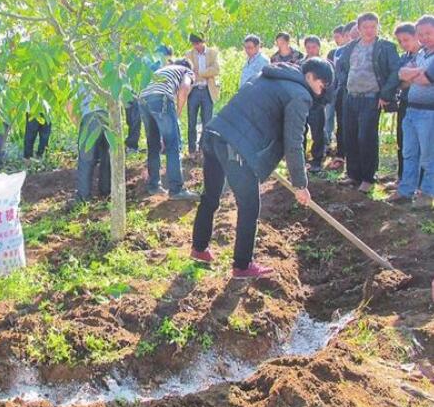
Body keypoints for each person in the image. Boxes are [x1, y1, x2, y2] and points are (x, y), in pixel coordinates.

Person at [190, 59, 334, 278]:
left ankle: (199, 249)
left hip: (214, 134)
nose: (320, 92)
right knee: (249, 205)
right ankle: (242, 265)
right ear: (311, 77)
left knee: (211, 195)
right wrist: (300, 185)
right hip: (235, 146)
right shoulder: (300, 95)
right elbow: (293, 143)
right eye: (322, 85)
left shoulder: (270, 75)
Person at [337, 12, 400, 193]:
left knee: (366, 138)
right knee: (350, 136)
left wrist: (385, 94)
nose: (369, 30)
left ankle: (368, 178)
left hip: (371, 98)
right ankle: (353, 175)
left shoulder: (385, 47)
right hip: (350, 97)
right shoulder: (351, 47)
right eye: (365, 27)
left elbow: (395, 71)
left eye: (373, 26)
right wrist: (344, 84)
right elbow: (341, 67)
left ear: (377, 27)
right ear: (359, 28)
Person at [138, 59, 200, 201]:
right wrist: (176, 113)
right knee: (173, 145)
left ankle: (154, 186)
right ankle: (176, 189)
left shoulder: (163, 71)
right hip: (161, 98)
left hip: (143, 99)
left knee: (153, 145)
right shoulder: (187, 71)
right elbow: (184, 89)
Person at [391, 15, 434, 209]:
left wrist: (415, 73)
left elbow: (426, 79)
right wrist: (418, 73)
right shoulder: (421, 54)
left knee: (429, 155)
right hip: (411, 110)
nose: (425, 37)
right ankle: (406, 190)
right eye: (421, 34)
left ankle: (427, 193)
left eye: (428, 33)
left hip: (429, 112)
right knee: (409, 153)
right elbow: (402, 75)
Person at [327, 20, 359, 171]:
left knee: (359, 128)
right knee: (342, 125)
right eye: (350, 35)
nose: (352, 38)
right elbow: (337, 72)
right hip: (342, 91)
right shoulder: (339, 52)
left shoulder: (366, 49)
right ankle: (341, 155)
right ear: (345, 35)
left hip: (360, 93)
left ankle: (359, 162)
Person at [68, 84, 110, 202]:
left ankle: (83, 196)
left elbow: (70, 105)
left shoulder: (79, 80)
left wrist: (78, 123)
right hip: (107, 118)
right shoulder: (103, 75)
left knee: (86, 159)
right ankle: (106, 191)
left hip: (89, 117)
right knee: (106, 157)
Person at [391, 23, 420, 183]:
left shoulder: (425, 55)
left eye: (406, 39)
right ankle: (403, 178)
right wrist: (411, 77)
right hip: (405, 103)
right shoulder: (404, 58)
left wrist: (410, 77)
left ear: (416, 36)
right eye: (400, 41)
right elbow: (399, 80)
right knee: (402, 141)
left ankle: (420, 182)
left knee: (421, 145)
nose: (403, 44)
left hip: (422, 105)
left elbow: (425, 79)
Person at [185, 33, 220, 154]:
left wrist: (200, 72)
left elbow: (216, 70)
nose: (196, 46)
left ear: (203, 42)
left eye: (198, 44)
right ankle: (191, 149)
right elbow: (187, 71)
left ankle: (203, 148)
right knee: (191, 122)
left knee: (207, 121)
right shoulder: (188, 54)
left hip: (207, 90)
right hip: (193, 90)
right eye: (194, 44)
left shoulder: (212, 53)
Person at [301, 36, 327, 172]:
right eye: (308, 47)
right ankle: (300, 160)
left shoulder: (324, 65)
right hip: (302, 104)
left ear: (319, 47)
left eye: (314, 47)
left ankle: (317, 160)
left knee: (318, 133)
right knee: (301, 132)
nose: (311, 50)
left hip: (317, 105)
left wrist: (323, 101)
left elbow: (330, 86)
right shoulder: (302, 65)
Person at [324, 26, 347, 154]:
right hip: (333, 90)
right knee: (328, 117)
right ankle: (328, 142)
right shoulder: (334, 52)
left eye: (337, 37)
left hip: (344, 91)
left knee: (342, 120)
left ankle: (342, 149)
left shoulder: (349, 51)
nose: (336, 40)